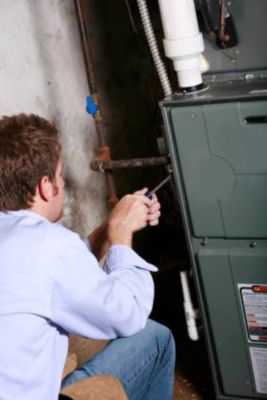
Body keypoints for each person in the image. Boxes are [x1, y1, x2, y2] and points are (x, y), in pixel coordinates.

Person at [0, 114, 175, 400]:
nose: (62, 183)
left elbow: (57, 271)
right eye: (59, 175)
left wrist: (109, 228)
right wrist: (121, 234)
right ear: (46, 186)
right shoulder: (49, 245)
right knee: (154, 338)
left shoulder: (19, 236)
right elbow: (128, 314)